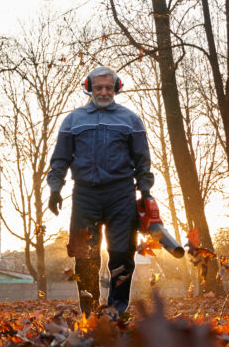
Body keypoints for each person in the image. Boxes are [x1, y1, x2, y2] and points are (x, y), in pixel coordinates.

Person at [46, 66, 154, 317]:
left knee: (121, 255)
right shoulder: (73, 120)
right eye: (98, 88)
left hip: (121, 195)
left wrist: (145, 191)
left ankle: (116, 311)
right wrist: (54, 189)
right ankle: (90, 312)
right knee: (85, 256)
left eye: (108, 87)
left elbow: (142, 160)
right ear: (89, 88)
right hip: (85, 195)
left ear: (116, 88)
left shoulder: (131, 120)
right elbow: (60, 159)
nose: (103, 92)